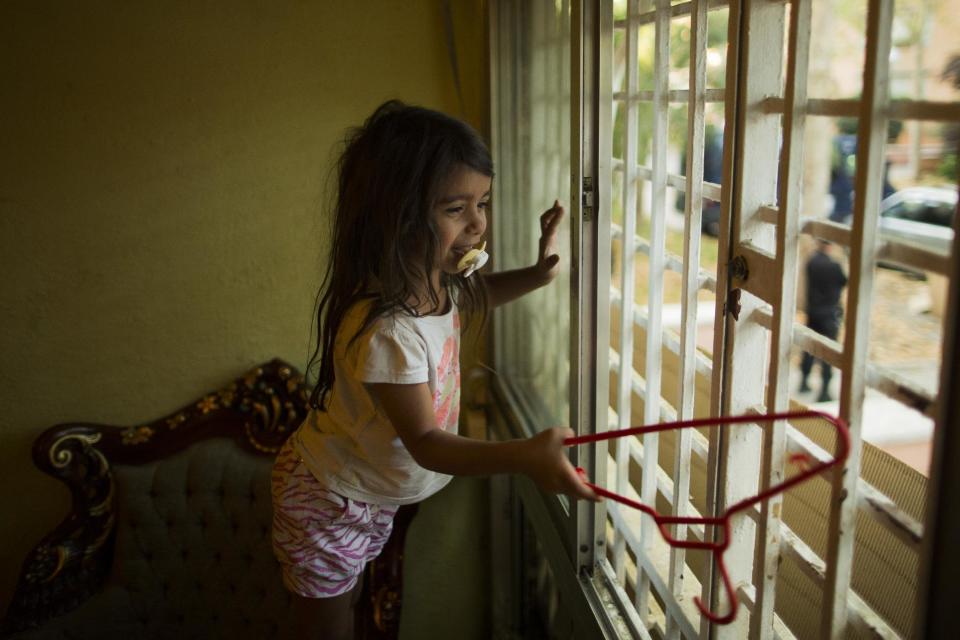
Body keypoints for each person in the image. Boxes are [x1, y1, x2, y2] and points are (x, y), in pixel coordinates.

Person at [271, 100, 599, 640]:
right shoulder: (388, 332)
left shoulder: (431, 286)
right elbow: (425, 441)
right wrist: (525, 456)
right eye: (455, 209)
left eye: (482, 203)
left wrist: (538, 276)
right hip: (330, 502)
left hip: (366, 496)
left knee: (350, 606)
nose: (477, 224)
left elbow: (474, 297)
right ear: (398, 217)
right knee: (326, 629)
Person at [799, 240, 848, 402]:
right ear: (831, 246)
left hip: (813, 311)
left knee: (809, 348)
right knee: (828, 352)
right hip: (829, 313)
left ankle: (804, 382)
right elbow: (844, 282)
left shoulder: (811, 262)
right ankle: (824, 390)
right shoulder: (834, 265)